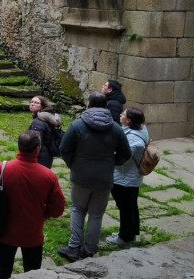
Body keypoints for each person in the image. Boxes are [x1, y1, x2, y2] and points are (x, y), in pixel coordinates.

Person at [57, 91, 131, 261]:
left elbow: (64, 149)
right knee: (96, 214)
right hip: (104, 178)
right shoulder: (115, 128)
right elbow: (125, 154)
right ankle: (90, 249)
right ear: (106, 106)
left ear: (88, 105)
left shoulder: (77, 125)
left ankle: (74, 247)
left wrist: (73, 164)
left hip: (81, 176)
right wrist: (111, 163)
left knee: (77, 209)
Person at [0, 130, 65, 279]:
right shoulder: (48, 176)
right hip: (32, 233)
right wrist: (42, 213)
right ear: (38, 148)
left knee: (2, 272)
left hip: (5, 231)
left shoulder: (2, 168)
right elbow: (58, 208)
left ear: (19, 146)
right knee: (33, 274)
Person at [107, 107, 149, 249]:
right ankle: (130, 233)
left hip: (124, 179)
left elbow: (123, 157)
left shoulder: (133, 138)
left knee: (125, 208)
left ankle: (124, 238)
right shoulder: (140, 129)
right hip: (130, 177)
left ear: (129, 120)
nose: (120, 114)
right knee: (131, 207)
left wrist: (108, 155)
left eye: (123, 114)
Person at [26, 96, 63, 169]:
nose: (32, 104)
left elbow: (35, 142)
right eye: (31, 102)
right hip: (47, 154)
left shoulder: (38, 122)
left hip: (40, 157)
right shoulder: (47, 117)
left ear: (42, 106)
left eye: (36, 103)